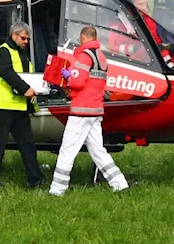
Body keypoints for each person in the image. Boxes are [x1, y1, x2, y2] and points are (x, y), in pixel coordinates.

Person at [49, 26, 129, 196]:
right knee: (98, 150)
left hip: (80, 111)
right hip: (95, 111)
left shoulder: (85, 56)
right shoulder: (101, 57)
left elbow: (77, 82)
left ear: (83, 37)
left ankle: (57, 189)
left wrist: (67, 75)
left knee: (67, 150)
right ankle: (120, 184)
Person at [0, 21, 44, 189]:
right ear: (14, 35)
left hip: (19, 107)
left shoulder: (21, 54)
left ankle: (35, 180)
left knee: (28, 146)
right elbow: (7, 73)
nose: (26, 42)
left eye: (28, 39)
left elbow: (27, 76)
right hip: (3, 106)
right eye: (23, 38)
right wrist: (26, 89)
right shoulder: (3, 52)